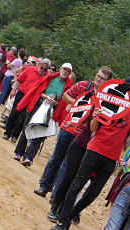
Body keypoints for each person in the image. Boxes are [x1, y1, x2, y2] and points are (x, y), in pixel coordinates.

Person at [49, 77, 130, 230]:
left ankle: (71, 215)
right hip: (94, 148)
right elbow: (93, 128)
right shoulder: (108, 102)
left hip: (111, 157)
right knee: (77, 185)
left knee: (93, 193)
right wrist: (95, 115)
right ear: (123, 89)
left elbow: (129, 135)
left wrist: (125, 154)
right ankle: (62, 222)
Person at [33, 66, 113, 199]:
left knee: (68, 165)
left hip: (83, 134)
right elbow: (66, 96)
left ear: (108, 82)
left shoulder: (106, 98)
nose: (98, 79)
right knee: (56, 158)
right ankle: (44, 186)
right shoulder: (83, 85)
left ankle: (56, 195)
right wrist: (80, 104)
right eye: (98, 76)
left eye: (102, 79)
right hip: (68, 127)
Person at [12, 61, 74, 166]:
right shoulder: (50, 78)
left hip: (51, 111)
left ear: (70, 73)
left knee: (40, 134)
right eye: (64, 69)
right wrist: (44, 96)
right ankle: (18, 152)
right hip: (37, 105)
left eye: (68, 71)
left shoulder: (68, 86)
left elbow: (64, 103)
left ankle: (28, 157)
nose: (65, 72)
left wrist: (55, 103)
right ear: (60, 69)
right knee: (27, 128)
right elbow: (38, 89)